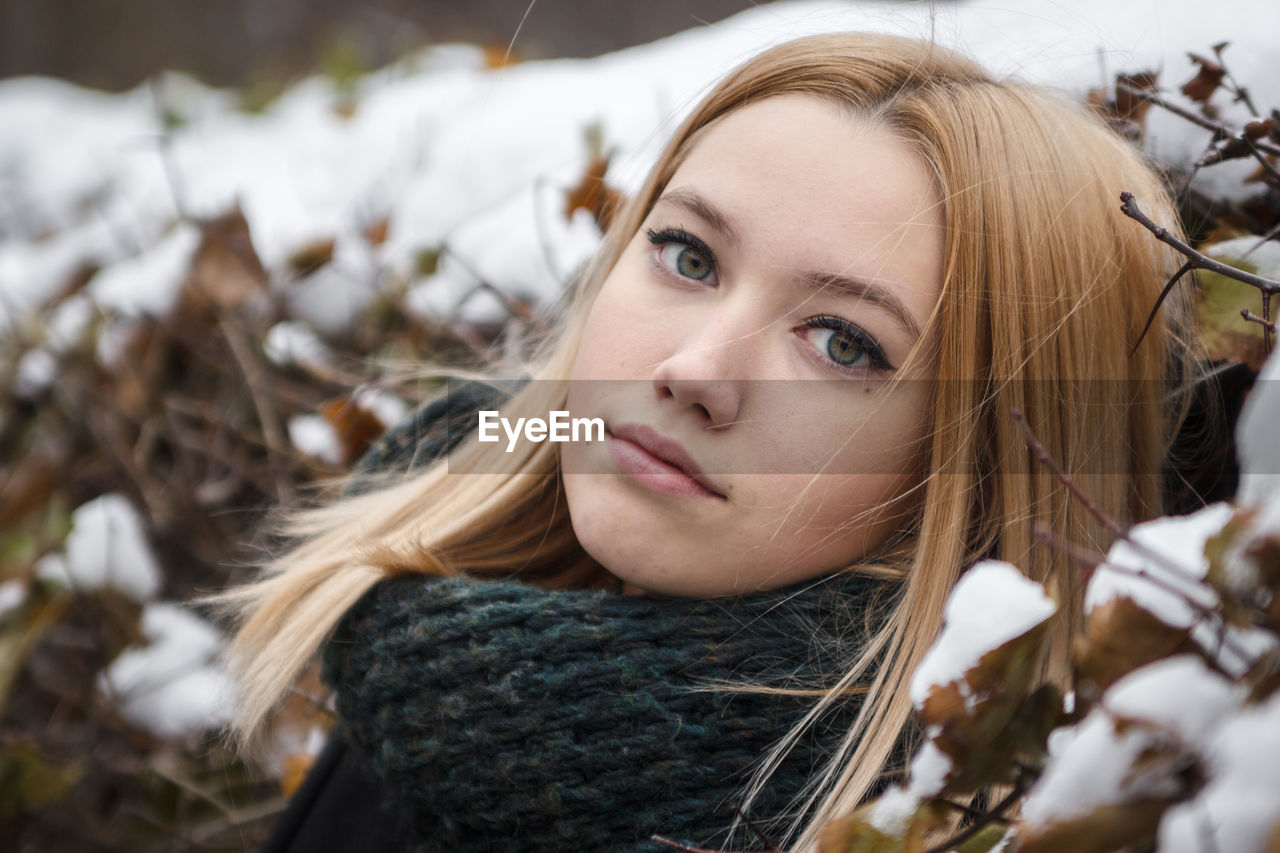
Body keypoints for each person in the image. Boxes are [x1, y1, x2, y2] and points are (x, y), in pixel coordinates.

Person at [217, 31, 1203, 852]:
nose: (692, 371)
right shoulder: (443, 650)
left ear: (985, 474)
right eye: (687, 255)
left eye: (843, 343)